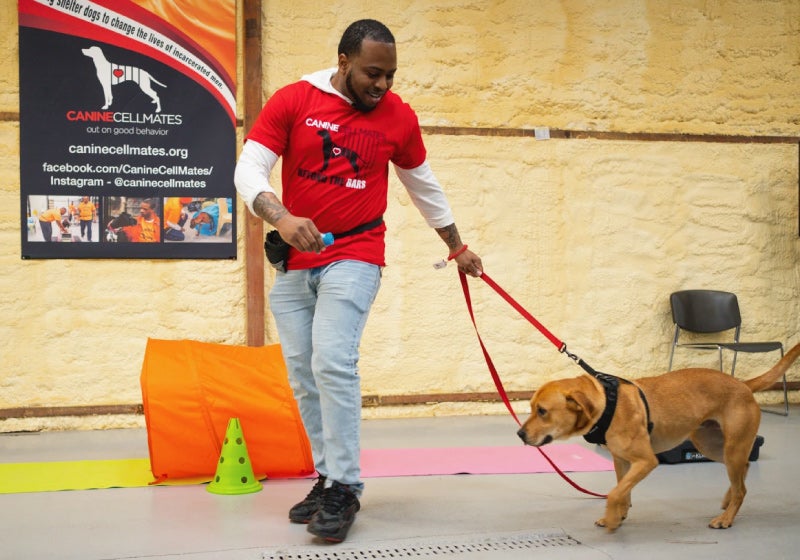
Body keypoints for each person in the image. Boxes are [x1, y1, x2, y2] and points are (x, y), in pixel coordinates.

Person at [234, 19, 483, 543]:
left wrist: (455, 246)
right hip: (294, 260)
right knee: (303, 373)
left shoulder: (398, 118)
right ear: (344, 62)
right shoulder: (295, 100)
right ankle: (328, 477)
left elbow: (424, 187)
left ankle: (346, 485)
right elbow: (248, 169)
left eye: (391, 75)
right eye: (373, 73)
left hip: (357, 253)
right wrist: (280, 216)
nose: (383, 86)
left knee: (332, 361)